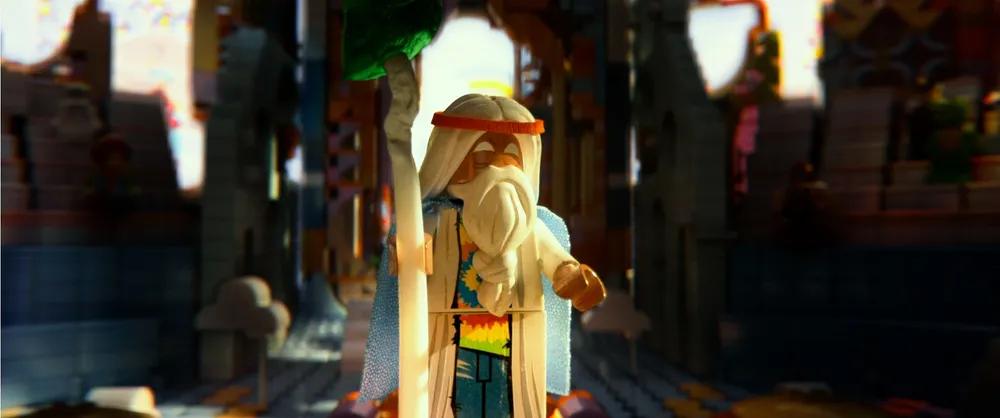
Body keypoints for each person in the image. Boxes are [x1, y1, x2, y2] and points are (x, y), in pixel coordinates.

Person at [360, 94, 607, 418]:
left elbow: (556, 261)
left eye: (511, 156)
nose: (499, 169)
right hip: (447, 336)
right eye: (483, 156)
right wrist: (409, 252)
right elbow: (409, 267)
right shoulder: (434, 220)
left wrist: (573, 279)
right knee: (447, 404)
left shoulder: (531, 227)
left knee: (513, 405)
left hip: (516, 335)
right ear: (450, 159)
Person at [85, 133, 137, 217]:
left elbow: (133, 194)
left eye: (118, 158)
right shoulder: (95, 179)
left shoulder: (126, 179)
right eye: (111, 157)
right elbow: (88, 193)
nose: (115, 162)